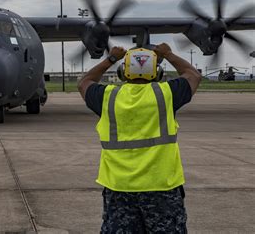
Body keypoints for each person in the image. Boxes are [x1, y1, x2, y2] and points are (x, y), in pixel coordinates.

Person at [78, 43, 201, 233]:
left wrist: (111, 58)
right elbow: (193, 75)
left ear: (123, 72)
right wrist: (168, 54)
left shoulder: (107, 97)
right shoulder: (166, 94)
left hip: (119, 189)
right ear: (157, 72)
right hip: (162, 188)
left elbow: (84, 82)